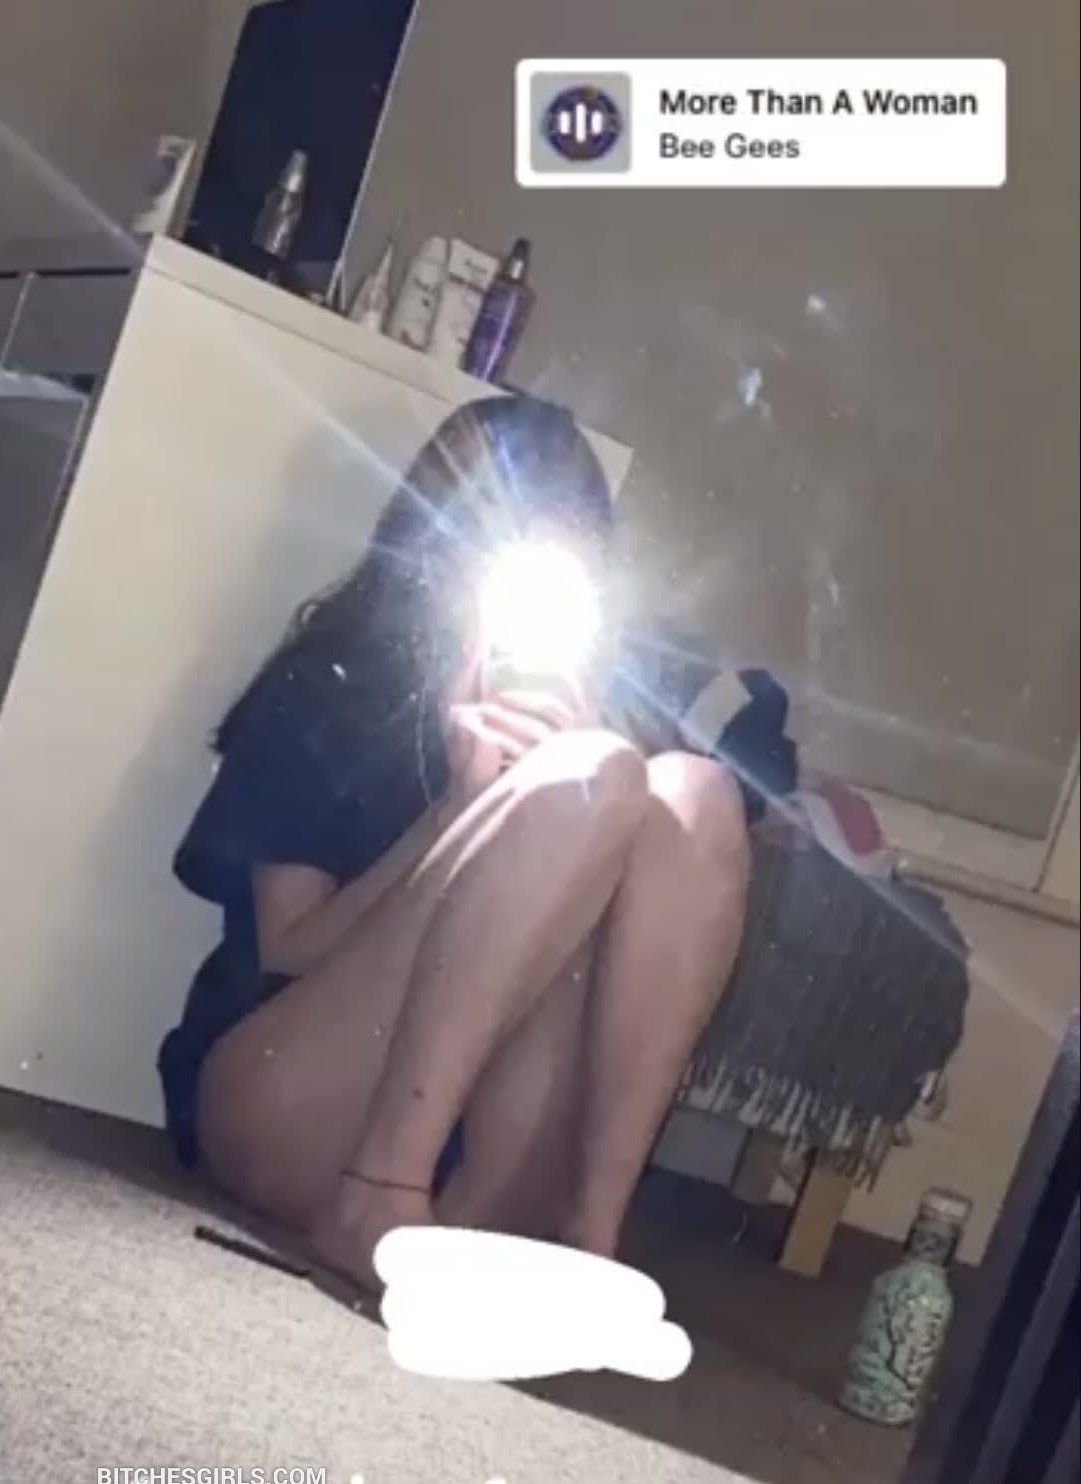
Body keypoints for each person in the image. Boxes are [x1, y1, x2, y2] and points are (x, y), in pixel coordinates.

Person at [159, 395, 752, 1292]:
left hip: (489, 1164)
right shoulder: (330, 685)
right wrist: (463, 816)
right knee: (590, 775)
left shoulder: (599, 721)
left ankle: (590, 1235)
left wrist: (591, 794)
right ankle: (379, 1192)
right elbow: (284, 949)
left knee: (693, 791)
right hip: (293, 1100)